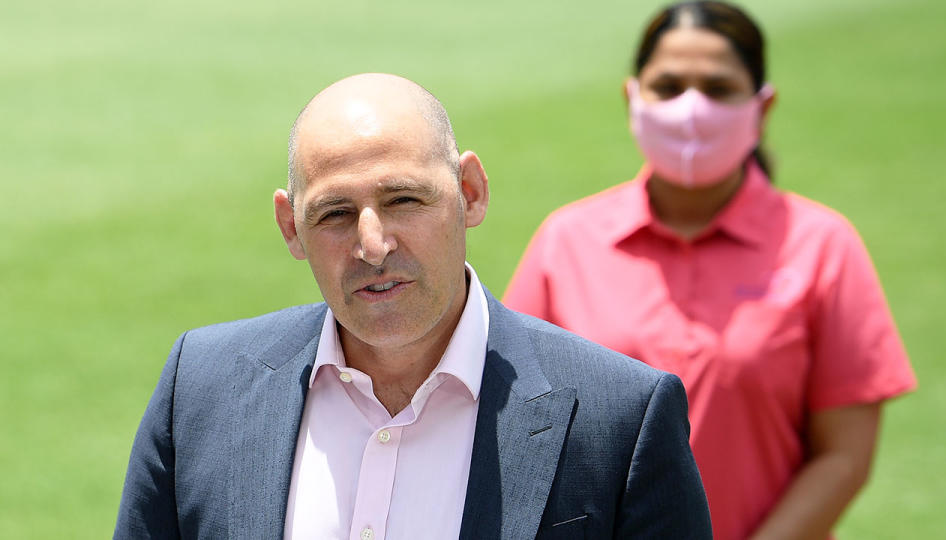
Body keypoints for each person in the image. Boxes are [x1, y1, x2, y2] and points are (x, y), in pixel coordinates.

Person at [114, 73, 712, 539]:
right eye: (334, 214)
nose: (372, 245)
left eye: (403, 199)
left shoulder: (622, 418)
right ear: (290, 228)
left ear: (469, 192)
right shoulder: (198, 388)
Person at [503, 2, 917, 539]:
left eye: (718, 88)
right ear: (633, 96)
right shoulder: (567, 239)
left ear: (763, 108)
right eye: (669, 86)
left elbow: (844, 456)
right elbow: (516, 421)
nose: (691, 108)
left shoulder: (823, 245)